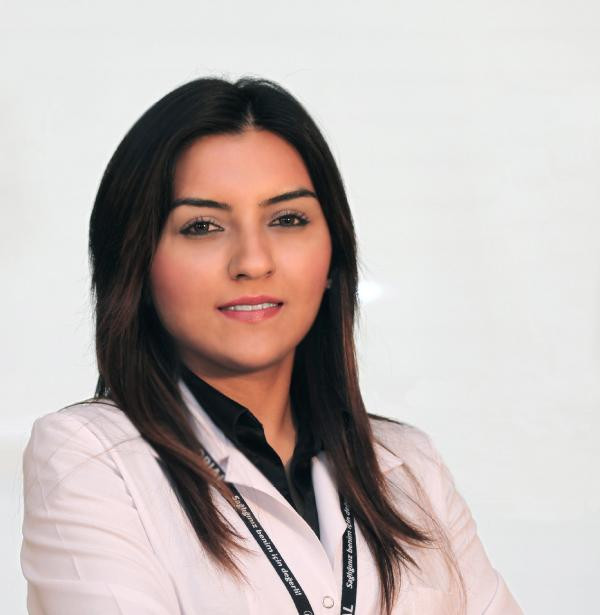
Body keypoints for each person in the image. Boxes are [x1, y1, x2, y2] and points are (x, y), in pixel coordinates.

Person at [20, 76, 523, 615]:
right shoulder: (92, 457)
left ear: (333, 256)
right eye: (203, 226)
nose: (254, 261)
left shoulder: (410, 464)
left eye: (287, 219)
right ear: (137, 264)